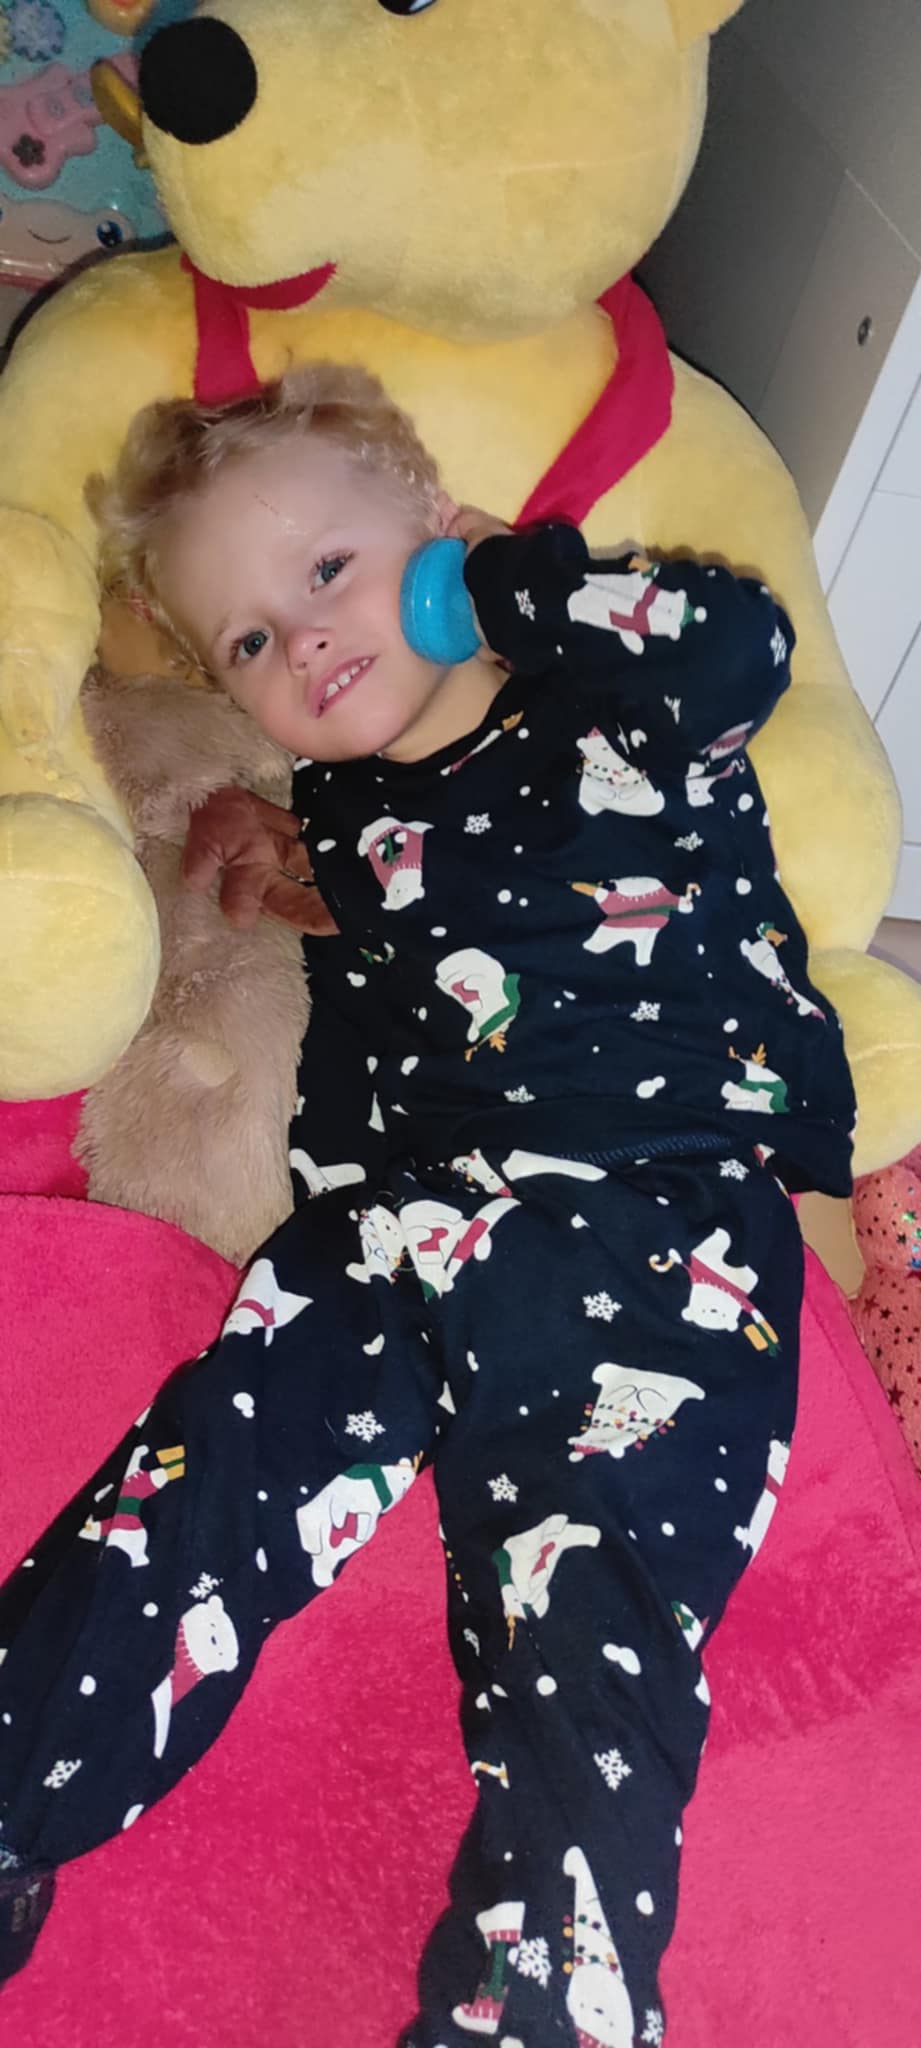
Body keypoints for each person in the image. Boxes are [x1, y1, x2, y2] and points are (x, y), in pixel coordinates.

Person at [0, 363, 855, 2046]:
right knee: (201, 1479)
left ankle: (532, 2009)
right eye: (252, 639)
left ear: (446, 535)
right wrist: (321, 1188)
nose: (305, 640)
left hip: (654, 1235)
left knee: (584, 1638)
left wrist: (507, 589)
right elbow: (381, 1016)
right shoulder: (353, 807)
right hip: (406, 1233)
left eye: (330, 572)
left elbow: (736, 646)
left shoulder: (613, 699)